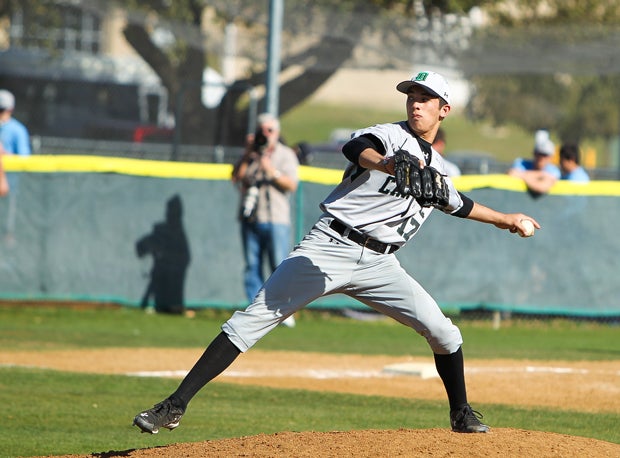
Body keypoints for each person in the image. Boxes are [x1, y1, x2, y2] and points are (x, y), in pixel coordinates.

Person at [133, 70, 540, 435]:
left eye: (426, 98)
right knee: (249, 323)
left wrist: (507, 218)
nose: (416, 103)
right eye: (412, 95)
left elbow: (460, 203)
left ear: (443, 109)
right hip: (329, 246)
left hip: (381, 264)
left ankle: (461, 413)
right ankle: (174, 405)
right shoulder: (390, 136)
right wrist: (386, 164)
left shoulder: (440, 170)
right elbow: (356, 147)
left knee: (445, 333)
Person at [231, 113, 299, 327]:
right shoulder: (250, 155)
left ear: (277, 133)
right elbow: (236, 177)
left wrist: (270, 169)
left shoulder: (285, 154)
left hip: (276, 218)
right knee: (252, 266)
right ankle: (256, 311)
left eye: (269, 130)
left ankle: (282, 311)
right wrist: (248, 153)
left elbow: (291, 184)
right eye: (262, 130)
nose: (265, 134)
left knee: (279, 265)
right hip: (251, 217)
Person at [136, 195, 191, 315]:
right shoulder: (161, 229)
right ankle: (163, 306)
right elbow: (141, 246)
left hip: (173, 275)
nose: (170, 213)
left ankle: (172, 307)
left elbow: (185, 257)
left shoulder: (177, 232)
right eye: (170, 210)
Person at [0, 89, 31, 239]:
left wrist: (4, 154)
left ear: (10, 110)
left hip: (9, 189)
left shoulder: (17, 130)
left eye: (2, 110)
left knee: (8, 231)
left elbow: (24, 160)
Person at [507, 129, 560, 196]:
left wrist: (523, 176)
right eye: (539, 154)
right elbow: (511, 173)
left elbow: (541, 187)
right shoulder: (521, 163)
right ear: (534, 153)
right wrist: (541, 175)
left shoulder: (554, 170)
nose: (541, 158)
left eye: (545, 155)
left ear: (550, 157)